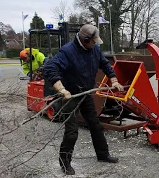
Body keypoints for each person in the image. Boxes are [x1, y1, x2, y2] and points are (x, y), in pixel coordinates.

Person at [42, 24, 124, 175]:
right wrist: (61, 89)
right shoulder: (67, 52)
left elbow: (105, 64)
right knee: (72, 131)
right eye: (94, 41)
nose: (96, 43)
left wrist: (114, 81)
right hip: (70, 96)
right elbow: (49, 68)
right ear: (85, 39)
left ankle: (103, 154)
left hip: (85, 93)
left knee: (95, 124)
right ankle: (65, 163)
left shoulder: (94, 50)